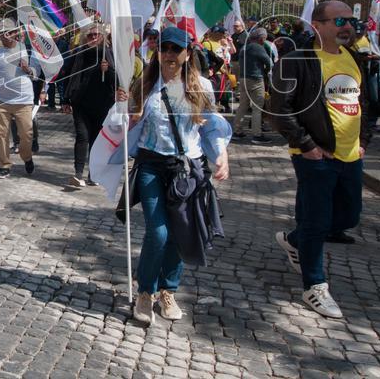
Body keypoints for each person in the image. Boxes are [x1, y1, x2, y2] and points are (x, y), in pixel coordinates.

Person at [123, 26, 230, 325]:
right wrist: (126, 116)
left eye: (175, 48)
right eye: (164, 48)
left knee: (180, 234)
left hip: (186, 170)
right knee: (158, 232)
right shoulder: (142, 85)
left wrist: (221, 155)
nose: (169, 53)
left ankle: (167, 290)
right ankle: (145, 291)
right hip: (150, 166)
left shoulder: (202, 88)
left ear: (187, 53)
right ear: (158, 52)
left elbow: (211, 127)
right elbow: (124, 126)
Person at [269, 1, 365, 319]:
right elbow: (280, 108)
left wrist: (363, 140)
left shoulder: (355, 58)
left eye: (351, 20)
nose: (347, 26)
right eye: (339, 20)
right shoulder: (298, 61)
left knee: (348, 216)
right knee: (317, 221)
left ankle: (295, 240)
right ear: (318, 24)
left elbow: (367, 103)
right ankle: (315, 286)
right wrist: (306, 144)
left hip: (351, 156)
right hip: (315, 156)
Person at [59, 23, 115, 187]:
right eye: (90, 35)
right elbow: (65, 74)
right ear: (85, 37)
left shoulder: (108, 53)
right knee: (82, 136)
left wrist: (108, 70)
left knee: (96, 140)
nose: (93, 38)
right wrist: (64, 100)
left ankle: (93, 174)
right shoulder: (77, 53)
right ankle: (78, 174)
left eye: (96, 35)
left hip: (102, 104)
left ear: (102, 36)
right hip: (80, 103)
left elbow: (117, 80)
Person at [0, 19, 37, 179]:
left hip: (24, 100)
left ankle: (26, 156)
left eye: (8, 32)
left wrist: (28, 69)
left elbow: (37, 73)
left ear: (15, 33)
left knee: (26, 135)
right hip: (1, 101)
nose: (5, 36)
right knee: (1, 135)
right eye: (2, 33)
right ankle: (4, 165)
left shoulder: (26, 49)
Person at [232, 28, 272, 143]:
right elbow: (269, 62)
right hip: (255, 79)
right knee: (257, 108)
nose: (264, 40)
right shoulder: (258, 47)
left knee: (243, 106)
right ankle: (256, 135)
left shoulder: (244, 47)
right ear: (261, 38)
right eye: (264, 38)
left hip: (243, 78)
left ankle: (237, 131)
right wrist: (266, 71)